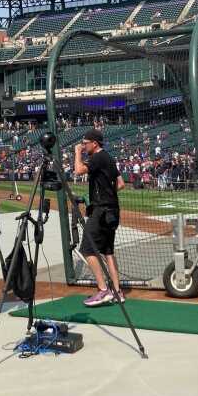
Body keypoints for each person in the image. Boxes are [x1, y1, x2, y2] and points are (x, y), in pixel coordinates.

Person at [73, 129, 125, 307]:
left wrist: (76, 152)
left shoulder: (97, 157)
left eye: (86, 142)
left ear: (95, 143)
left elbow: (78, 170)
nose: (84, 145)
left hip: (101, 210)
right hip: (113, 210)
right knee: (108, 251)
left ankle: (103, 290)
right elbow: (121, 184)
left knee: (88, 249)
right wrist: (108, 194)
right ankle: (118, 292)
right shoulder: (109, 158)